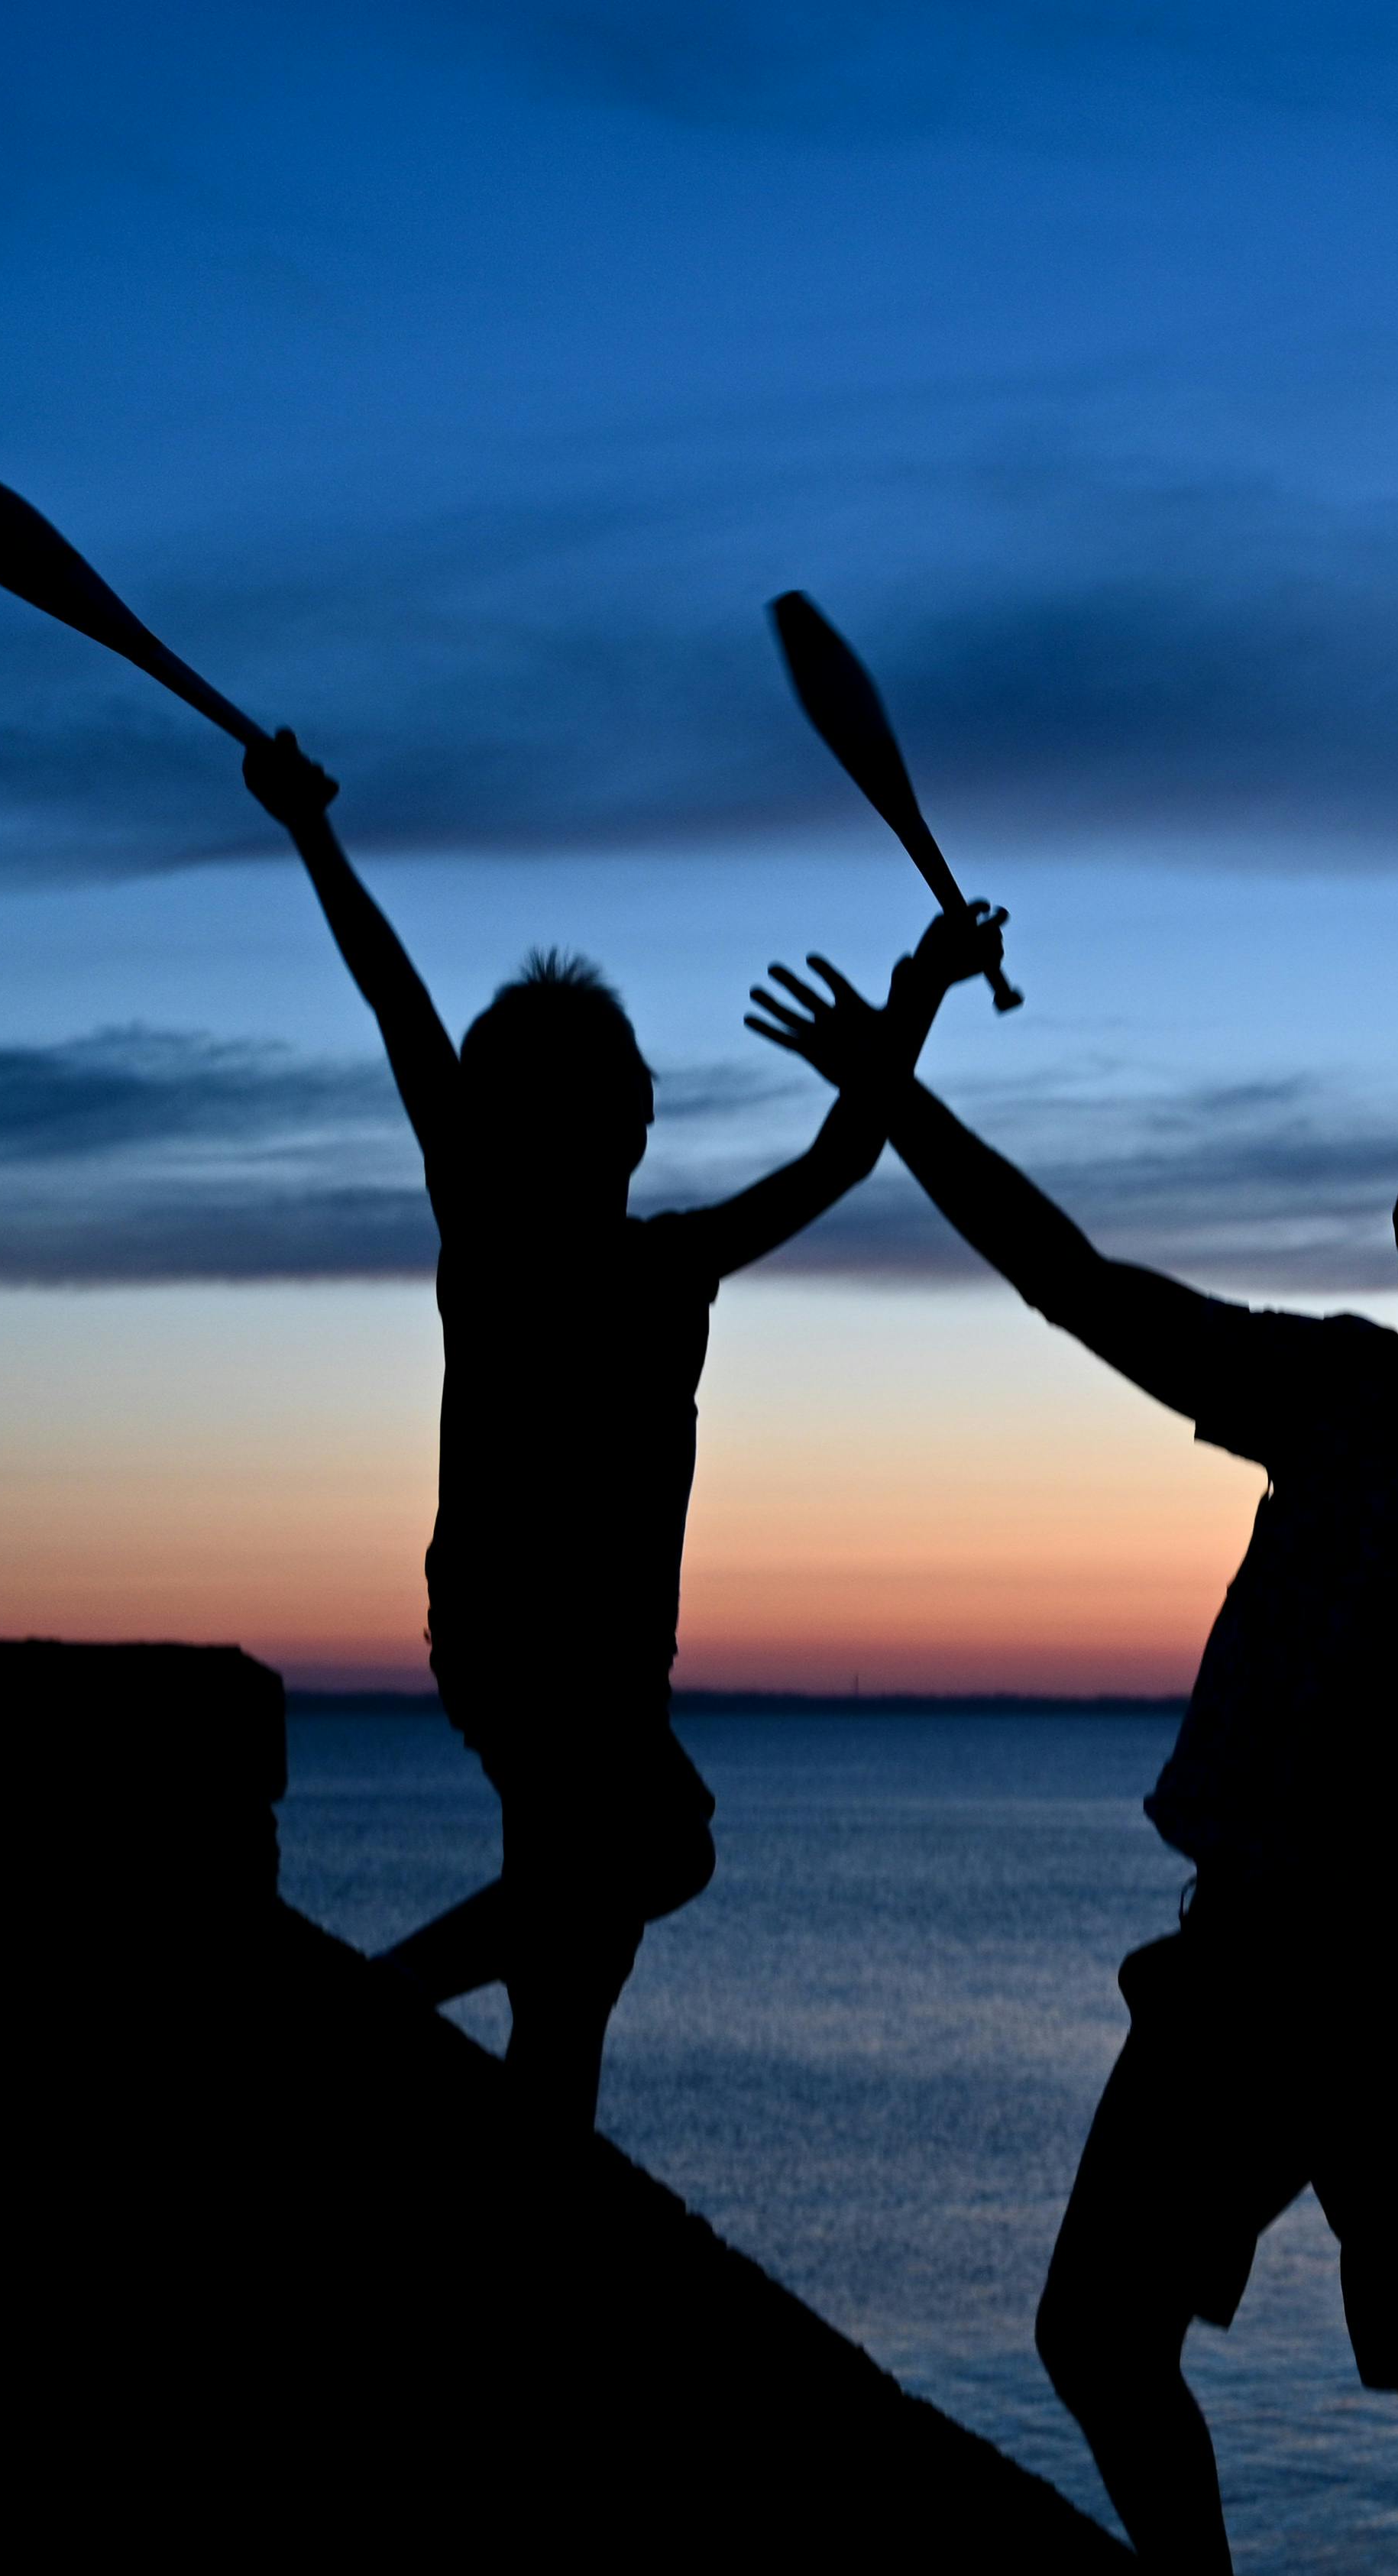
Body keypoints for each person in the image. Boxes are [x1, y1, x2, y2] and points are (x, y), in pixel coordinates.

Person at [745, 953, 1398, 2576]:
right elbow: (1076, 1287)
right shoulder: (1328, 1389)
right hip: (1253, 1956)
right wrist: (902, 1096)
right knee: (1102, 2336)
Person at [243, 728, 1004, 2125]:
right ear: (627, 1126)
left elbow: (843, 1152)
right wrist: (312, 834)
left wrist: (917, 994)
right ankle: (377, 1996)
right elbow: (398, 1002)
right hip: (524, 1636)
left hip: (586, 1647)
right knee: (651, 1856)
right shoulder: (543, 1238)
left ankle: (526, 2147)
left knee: (579, 1953)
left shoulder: (632, 1255)